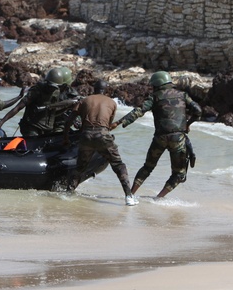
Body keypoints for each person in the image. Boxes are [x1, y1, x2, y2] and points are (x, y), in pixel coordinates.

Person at [112, 70, 202, 199]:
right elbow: (198, 110)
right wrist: (188, 124)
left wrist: (121, 122)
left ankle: (130, 194)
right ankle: (159, 198)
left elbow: (139, 111)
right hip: (178, 138)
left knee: (147, 167)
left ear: (157, 85)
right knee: (179, 174)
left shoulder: (155, 96)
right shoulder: (183, 95)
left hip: (160, 138)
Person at [62, 80, 137, 205]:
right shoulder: (112, 103)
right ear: (106, 90)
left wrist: (66, 138)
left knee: (80, 168)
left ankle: (68, 194)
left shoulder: (84, 100)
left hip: (86, 136)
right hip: (102, 136)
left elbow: (69, 120)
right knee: (119, 166)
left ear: (93, 89)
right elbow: (107, 125)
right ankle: (129, 197)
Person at [0, 67, 78, 137]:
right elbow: (18, 107)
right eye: (51, 86)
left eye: (56, 87)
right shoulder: (36, 91)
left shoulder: (57, 92)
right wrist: (0, 123)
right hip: (32, 128)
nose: (52, 89)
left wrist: (66, 108)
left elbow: (52, 113)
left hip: (46, 130)